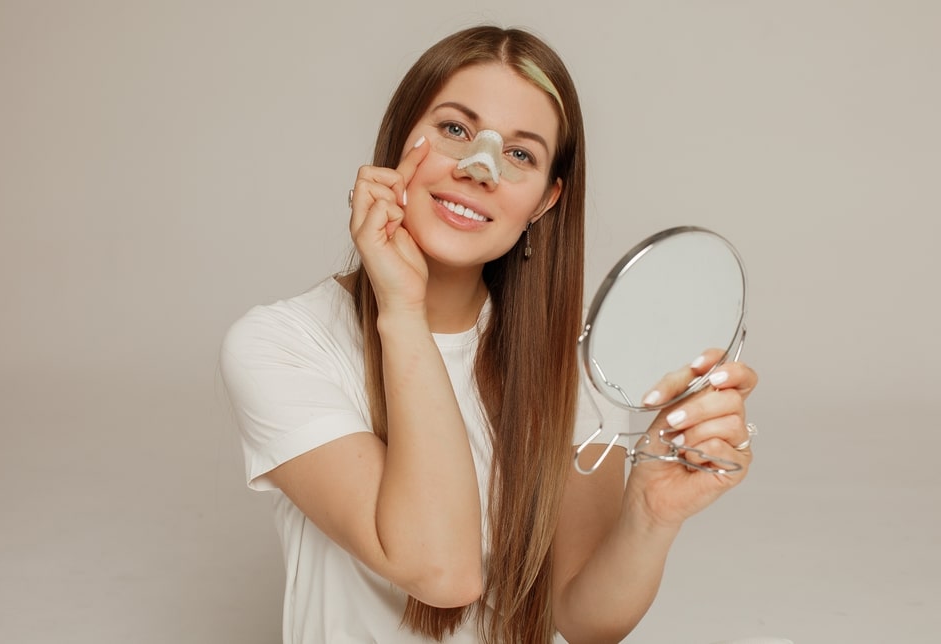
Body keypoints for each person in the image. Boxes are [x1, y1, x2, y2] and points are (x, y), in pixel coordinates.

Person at [220, 25, 758, 644]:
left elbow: (583, 622)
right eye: (455, 129)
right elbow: (440, 571)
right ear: (401, 139)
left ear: (545, 202)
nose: (480, 169)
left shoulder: (564, 367)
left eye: (521, 154)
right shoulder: (280, 345)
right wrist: (401, 306)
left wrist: (650, 514)